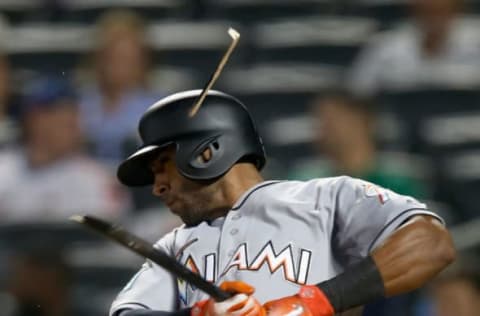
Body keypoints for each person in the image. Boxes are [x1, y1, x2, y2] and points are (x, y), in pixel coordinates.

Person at [109, 89, 455, 316]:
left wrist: (308, 304)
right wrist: (200, 314)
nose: (157, 188)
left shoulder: (323, 199)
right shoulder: (174, 246)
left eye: (162, 167)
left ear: (206, 153)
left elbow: (431, 243)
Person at [0, 76, 129, 222]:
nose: (74, 128)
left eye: (72, 120)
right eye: (60, 119)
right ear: (33, 121)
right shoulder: (4, 167)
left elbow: (106, 236)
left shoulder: (96, 180)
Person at [289, 91, 427, 198]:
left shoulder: (400, 179)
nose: (323, 128)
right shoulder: (306, 180)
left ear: (363, 122)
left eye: (333, 120)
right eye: (320, 121)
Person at [78, 9, 160, 166]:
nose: (117, 67)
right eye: (112, 57)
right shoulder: (78, 104)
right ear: (97, 58)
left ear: (143, 61)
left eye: (126, 59)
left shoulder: (158, 109)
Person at [349, 0, 480, 96]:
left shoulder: (476, 44)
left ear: (456, 9)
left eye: (440, 11)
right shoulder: (385, 48)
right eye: (427, 11)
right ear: (413, 9)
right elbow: (357, 95)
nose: (434, 19)